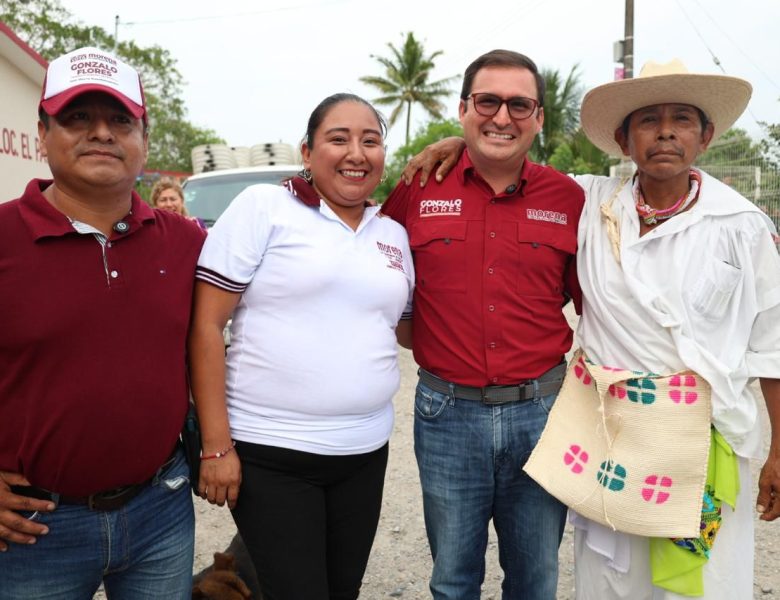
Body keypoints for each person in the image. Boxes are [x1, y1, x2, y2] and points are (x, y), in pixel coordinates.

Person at [405, 59, 780, 600]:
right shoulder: (588, 202)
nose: (666, 132)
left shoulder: (742, 225)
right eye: (649, 120)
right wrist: (456, 142)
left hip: (707, 438)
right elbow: (503, 157)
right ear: (625, 140)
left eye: (682, 119)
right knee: (610, 582)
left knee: (704, 586)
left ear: (707, 136)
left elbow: (772, 344)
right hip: (611, 435)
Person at [187, 92, 414, 600]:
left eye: (370, 140)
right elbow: (205, 328)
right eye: (338, 139)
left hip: (364, 453)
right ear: (307, 153)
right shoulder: (264, 207)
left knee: (342, 591)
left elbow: (402, 329)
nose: (356, 152)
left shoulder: (393, 235)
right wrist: (216, 444)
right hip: (273, 457)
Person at [0, 46, 205, 599]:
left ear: (144, 137)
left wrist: (465, 148)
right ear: (41, 133)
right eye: (77, 118)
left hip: (161, 508)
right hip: (33, 529)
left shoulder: (186, 242)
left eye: (120, 119)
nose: (101, 133)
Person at [381, 49, 585, 599]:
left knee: (537, 579)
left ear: (540, 117)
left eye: (519, 105)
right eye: (488, 101)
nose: (502, 117)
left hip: (543, 414)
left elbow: (600, 299)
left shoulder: (571, 198)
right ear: (464, 107)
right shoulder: (419, 186)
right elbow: (370, 268)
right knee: (452, 580)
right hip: (446, 414)